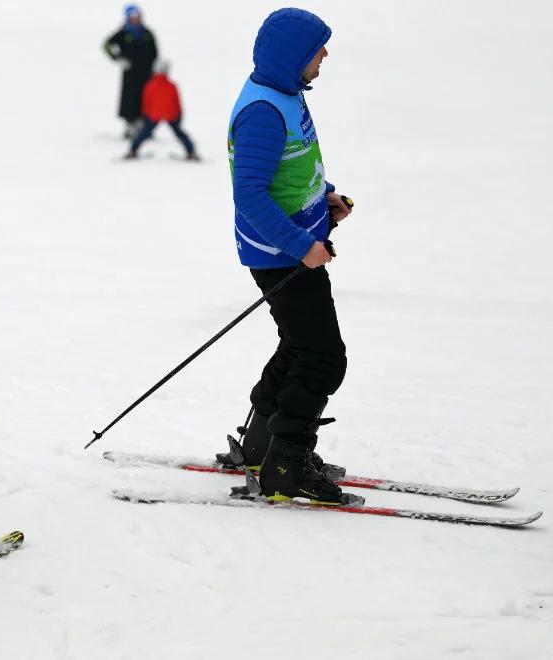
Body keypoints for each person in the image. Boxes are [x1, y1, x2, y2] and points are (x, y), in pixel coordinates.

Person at [223, 8, 356, 505]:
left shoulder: (284, 96)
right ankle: (286, 466)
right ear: (293, 56)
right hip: (282, 254)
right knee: (323, 358)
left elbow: (296, 166)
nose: (324, 56)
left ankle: (261, 444)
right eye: (317, 49)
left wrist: (326, 198)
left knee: (301, 344)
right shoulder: (263, 111)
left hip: (294, 247)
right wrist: (303, 245)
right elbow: (251, 196)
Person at [125, 59, 199, 161]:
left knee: (144, 133)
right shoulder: (172, 85)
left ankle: (133, 150)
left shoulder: (150, 85)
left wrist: (145, 115)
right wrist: (178, 115)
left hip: (153, 115)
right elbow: (176, 102)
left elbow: (146, 102)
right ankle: (191, 151)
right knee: (179, 133)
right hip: (171, 115)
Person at [103, 4, 158, 139]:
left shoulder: (147, 33)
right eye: (132, 17)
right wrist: (117, 58)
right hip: (130, 73)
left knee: (145, 97)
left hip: (146, 73)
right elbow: (107, 45)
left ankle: (144, 126)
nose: (135, 19)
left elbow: (155, 51)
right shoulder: (123, 33)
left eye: (137, 16)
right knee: (129, 98)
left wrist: (155, 66)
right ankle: (129, 124)